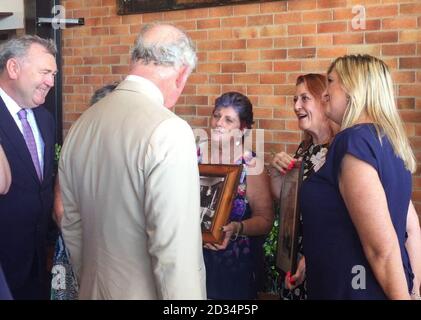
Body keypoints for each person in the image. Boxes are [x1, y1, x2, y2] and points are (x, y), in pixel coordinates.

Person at [59, 23, 206, 299]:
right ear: (182, 73)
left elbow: (71, 226)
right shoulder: (169, 130)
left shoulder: (81, 126)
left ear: (134, 60)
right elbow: (174, 251)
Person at [300, 54, 421, 299]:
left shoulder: (354, 141)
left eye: (331, 82)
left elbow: (382, 250)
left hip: (354, 289)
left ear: (353, 88)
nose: (325, 93)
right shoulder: (386, 140)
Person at [199, 91, 274, 299]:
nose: (218, 123)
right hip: (193, 259)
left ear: (243, 129)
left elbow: (265, 220)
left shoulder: (251, 164)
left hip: (234, 267)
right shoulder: (192, 155)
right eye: (216, 116)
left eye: (228, 119)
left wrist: (237, 228)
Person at [269, 74, 336, 300]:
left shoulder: (342, 150)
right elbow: (290, 205)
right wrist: (278, 177)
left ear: (325, 100)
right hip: (295, 261)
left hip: (325, 261)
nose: (296, 106)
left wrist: (314, 256)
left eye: (305, 98)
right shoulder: (304, 148)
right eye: (294, 99)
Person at [0, 35, 57, 299]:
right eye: (45, 72)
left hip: (38, 260)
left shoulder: (45, 119)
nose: (51, 82)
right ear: (13, 68)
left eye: (53, 74)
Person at [51, 82, 118, 300]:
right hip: (77, 246)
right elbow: (59, 207)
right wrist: (80, 248)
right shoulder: (76, 144)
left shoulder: (124, 150)